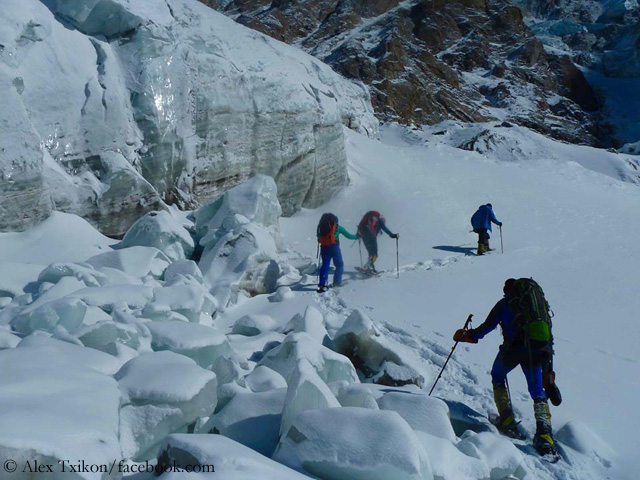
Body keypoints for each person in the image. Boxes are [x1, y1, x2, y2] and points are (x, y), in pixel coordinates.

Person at [453, 278, 558, 457]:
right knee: (537, 390)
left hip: (514, 350)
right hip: (537, 351)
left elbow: (487, 327)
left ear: (507, 291)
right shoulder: (536, 308)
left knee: (497, 375)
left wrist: (469, 336)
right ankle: (545, 434)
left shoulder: (505, 304)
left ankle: (507, 419)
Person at [316, 213, 359, 293]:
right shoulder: (337, 227)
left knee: (325, 265)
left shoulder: (320, 226)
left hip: (324, 248)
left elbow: (319, 239)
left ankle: (322, 285)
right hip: (334, 248)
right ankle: (337, 282)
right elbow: (349, 236)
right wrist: (357, 236)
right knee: (339, 265)